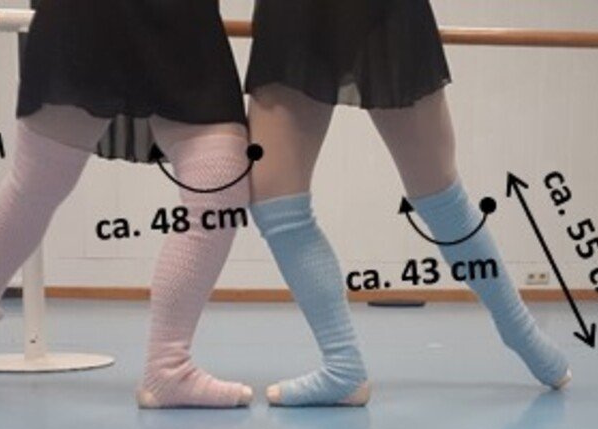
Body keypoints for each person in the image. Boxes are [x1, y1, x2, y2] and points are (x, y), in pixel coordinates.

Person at [245, 0, 572, 407]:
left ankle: (520, 331)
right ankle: (343, 365)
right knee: (277, 204)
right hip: (292, 14)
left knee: (440, 197)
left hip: (382, 11)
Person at [0, 0, 253, 408]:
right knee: (35, 183)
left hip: (182, 17)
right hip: (87, 12)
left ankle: (168, 367)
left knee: (221, 187)